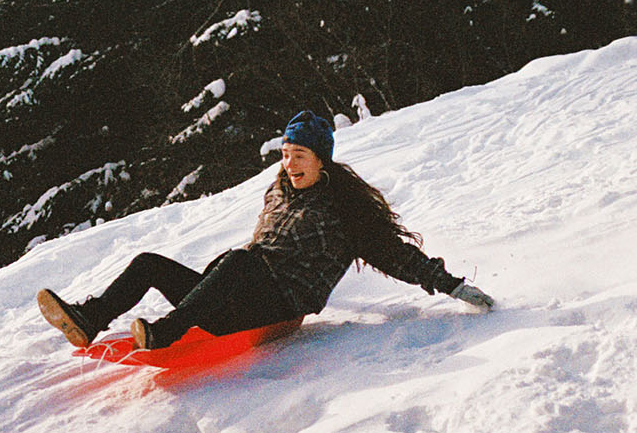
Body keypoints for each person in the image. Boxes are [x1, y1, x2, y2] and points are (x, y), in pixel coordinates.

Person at [37, 110, 495, 350]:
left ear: (321, 160)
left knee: (239, 260)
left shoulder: (343, 206)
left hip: (278, 306)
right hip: (238, 293)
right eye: (285, 154)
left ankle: (166, 332)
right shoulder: (278, 190)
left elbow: (394, 254)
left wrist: (451, 285)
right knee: (149, 264)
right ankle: (89, 319)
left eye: (300, 155)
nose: (289, 163)